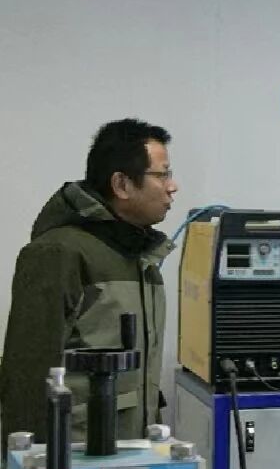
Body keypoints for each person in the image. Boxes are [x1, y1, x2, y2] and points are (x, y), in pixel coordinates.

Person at [0, 118, 177, 445]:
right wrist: (26, 468)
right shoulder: (60, 253)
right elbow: (26, 378)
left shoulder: (141, 258)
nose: (172, 186)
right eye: (162, 174)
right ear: (122, 184)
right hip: (73, 460)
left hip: (130, 456)